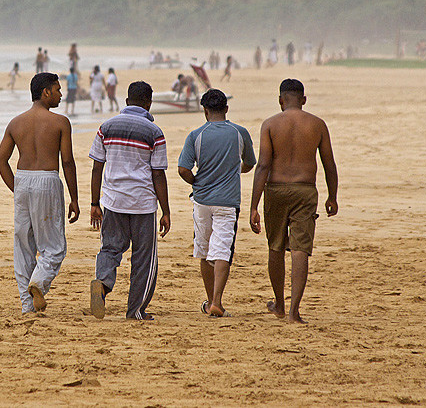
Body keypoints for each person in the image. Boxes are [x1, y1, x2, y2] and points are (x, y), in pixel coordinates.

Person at [249, 79, 338, 324]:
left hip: (275, 190)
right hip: (305, 190)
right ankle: (294, 312)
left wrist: (254, 206)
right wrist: (333, 196)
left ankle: (278, 303)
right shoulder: (317, 124)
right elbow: (328, 163)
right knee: (300, 250)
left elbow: (263, 165)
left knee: (276, 247)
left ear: (280, 100)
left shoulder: (270, 124)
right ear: (304, 100)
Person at [0, 72, 80, 314]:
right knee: (54, 245)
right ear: (46, 92)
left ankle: (27, 305)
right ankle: (39, 282)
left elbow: (1, 160)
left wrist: (17, 188)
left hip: (22, 180)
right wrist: (74, 198)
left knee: (23, 245)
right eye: (57, 89)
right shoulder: (60, 122)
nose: (61, 94)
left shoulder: (15, 123)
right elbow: (68, 163)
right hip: (47, 180)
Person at [89, 81, 170, 320]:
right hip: (143, 204)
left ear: (126, 102)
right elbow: (158, 173)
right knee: (144, 258)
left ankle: (102, 284)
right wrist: (165, 210)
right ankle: (135, 310)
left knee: (110, 248)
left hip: (113, 200)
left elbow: (97, 167)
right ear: (149, 103)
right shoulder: (154, 132)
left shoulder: (106, 127)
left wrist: (95, 203)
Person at [178, 89, 255, 317]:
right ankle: (217, 301)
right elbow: (249, 163)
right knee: (222, 249)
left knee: (203, 249)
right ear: (227, 109)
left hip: (202, 200)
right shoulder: (239, 133)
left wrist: (196, 182)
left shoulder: (196, 135)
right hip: (227, 200)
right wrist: (234, 171)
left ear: (205, 111)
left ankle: (210, 298)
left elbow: (183, 169)